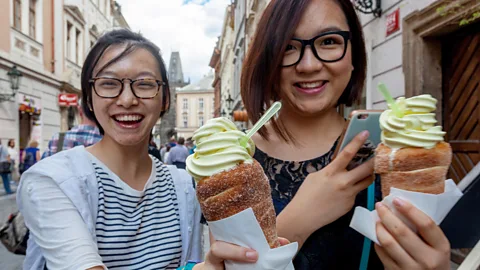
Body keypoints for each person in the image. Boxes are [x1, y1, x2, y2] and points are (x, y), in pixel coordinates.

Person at [17, 29, 260, 270]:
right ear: (89, 99)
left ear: (165, 98)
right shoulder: (52, 180)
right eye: (109, 84)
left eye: (144, 84)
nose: (127, 99)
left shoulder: (184, 185)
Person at [241, 0, 451, 269]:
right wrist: (297, 221)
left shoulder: (399, 156)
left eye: (329, 42)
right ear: (268, 58)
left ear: (354, 55)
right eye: (288, 47)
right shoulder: (233, 162)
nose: (308, 65)